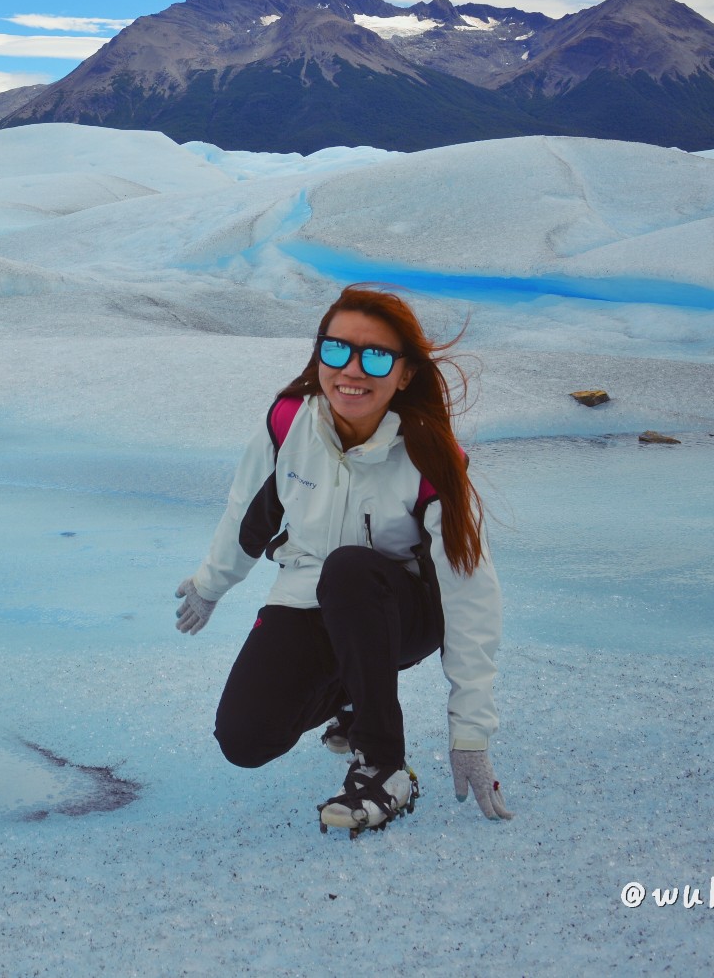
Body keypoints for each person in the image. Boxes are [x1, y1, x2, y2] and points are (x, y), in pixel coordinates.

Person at [173, 285, 513, 835]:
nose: (351, 369)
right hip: (312, 596)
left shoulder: (429, 456)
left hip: (403, 615)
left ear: (404, 374)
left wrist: (470, 731)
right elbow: (248, 514)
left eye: (375, 355)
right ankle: (353, 693)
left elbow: (469, 589)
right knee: (245, 739)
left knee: (351, 568)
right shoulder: (289, 423)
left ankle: (383, 766)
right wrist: (210, 585)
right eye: (337, 350)